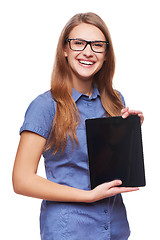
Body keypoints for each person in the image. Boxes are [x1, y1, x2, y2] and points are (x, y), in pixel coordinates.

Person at [12, 12, 144, 240]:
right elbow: (22, 180)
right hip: (70, 230)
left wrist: (131, 133)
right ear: (65, 50)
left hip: (115, 227)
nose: (88, 52)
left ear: (106, 54)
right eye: (79, 43)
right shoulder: (45, 106)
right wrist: (89, 196)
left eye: (97, 45)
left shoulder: (114, 100)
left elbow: (114, 169)